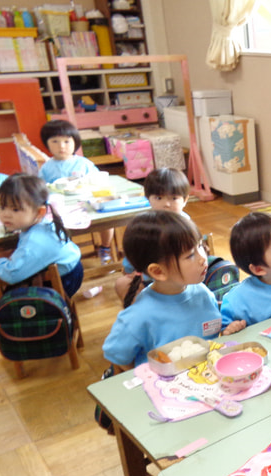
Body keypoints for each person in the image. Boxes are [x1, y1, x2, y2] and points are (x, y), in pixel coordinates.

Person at [102, 210, 222, 370]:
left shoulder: (202, 292)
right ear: (158, 271)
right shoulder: (139, 316)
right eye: (190, 255)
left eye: (200, 246)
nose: (203, 258)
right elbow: (118, 355)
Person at [0, 174, 83, 309]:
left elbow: (12, 275)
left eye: (15, 209)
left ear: (39, 212)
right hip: (71, 273)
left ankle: (25, 321)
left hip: (59, 283)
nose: (6, 214)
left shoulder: (34, 243)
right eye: (2, 207)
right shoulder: (43, 224)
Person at [39, 120, 114, 265]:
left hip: (86, 204)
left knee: (108, 221)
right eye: (55, 141)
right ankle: (67, 253)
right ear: (46, 144)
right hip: (62, 209)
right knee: (54, 226)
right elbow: (41, 189)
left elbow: (98, 180)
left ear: (75, 142)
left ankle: (105, 247)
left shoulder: (84, 163)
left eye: (67, 141)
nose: (61, 146)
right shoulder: (46, 168)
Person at [114, 168, 191, 302]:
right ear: (148, 198)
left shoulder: (187, 225)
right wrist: (130, 269)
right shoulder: (143, 225)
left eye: (174, 198)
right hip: (149, 278)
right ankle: (142, 317)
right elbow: (133, 249)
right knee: (122, 285)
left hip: (180, 279)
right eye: (159, 198)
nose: (166, 204)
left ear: (185, 200)